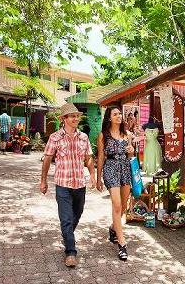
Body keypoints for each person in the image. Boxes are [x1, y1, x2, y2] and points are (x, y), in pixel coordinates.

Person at [41, 103, 96, 268]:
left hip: (80, 183)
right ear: (63, 119)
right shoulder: (55, 137)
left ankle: (67, 236)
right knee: (66, 219)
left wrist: (92, 175)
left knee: (77, 215)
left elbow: (88, 158)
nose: (76, 118)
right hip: (62, 184)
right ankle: (71, 252)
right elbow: (47, 159)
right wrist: (43, 180)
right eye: (72, 116)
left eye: (77, 116)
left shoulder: (84, 137)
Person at [96, 106, 134, 261]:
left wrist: (131, 150)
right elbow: (100, 157)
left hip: (125, 168)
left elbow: (131, 154)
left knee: (123, 206)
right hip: (110, 168)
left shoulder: (128, 134)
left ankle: (113, 228)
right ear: (109, 117)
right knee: (117, 204)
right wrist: (98, 179)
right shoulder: (103, 135)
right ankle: (122, 244)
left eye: (120, 113)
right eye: (115, 114)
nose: (119, 116)